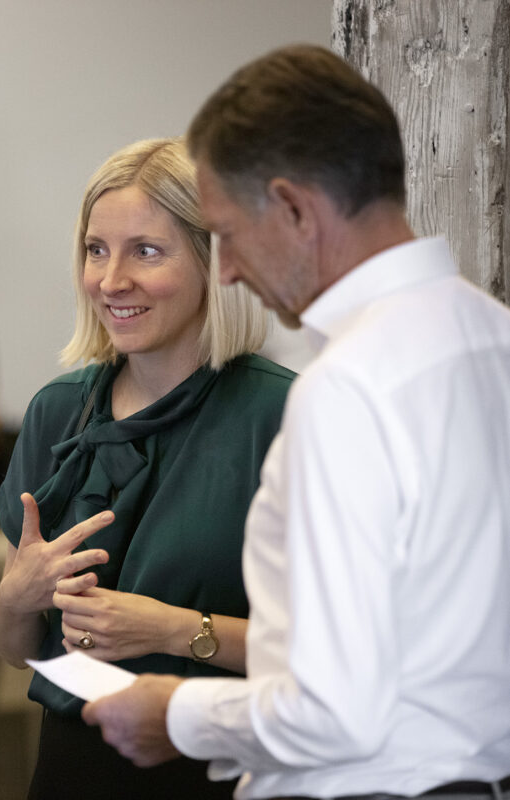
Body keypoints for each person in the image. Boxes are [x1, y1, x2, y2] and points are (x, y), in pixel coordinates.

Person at [83, 44, 510, 800]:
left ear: (293, 210)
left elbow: (332, 712)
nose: (227, 271)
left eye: (227, 233)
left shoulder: (348, 387)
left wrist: (175, 713)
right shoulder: (493, 338)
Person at [0, 137, 293, 800]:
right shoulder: (57, 410)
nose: (110, 279)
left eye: (145, 251)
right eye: (96, 250)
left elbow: (335, 655)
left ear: (213, 260)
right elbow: (17, 647)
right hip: (68, 769)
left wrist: (175, 631)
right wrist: (15, 599)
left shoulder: (282, 416)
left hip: (215, 766)